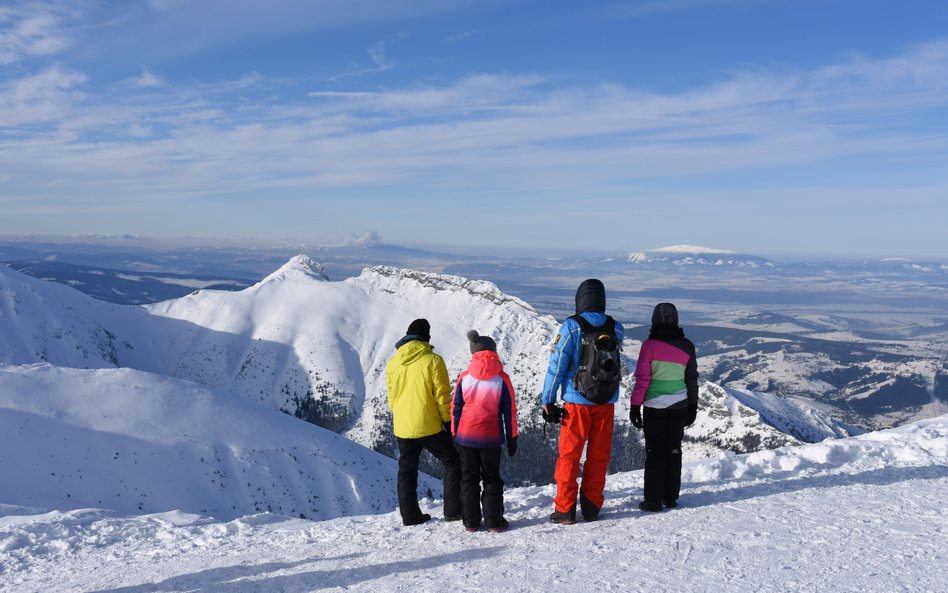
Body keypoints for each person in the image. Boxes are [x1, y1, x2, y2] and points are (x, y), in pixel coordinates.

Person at [540, 279, 625, 524]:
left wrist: (548, 398)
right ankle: (591, 506)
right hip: (605, 402)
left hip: (576, 403)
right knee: (598, 456)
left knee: (569, 455)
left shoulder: (572, 326)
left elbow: (557, 366)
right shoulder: (615, 328)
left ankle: (565, 509)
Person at [385, 318, 462, 526]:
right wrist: (448, 422)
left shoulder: (393, 363)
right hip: (428, 424)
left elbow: (392, 398)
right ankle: (453, 510)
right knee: (453, 461)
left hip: (402, 427)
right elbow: (443, 396)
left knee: (407, 470)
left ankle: (410, 516)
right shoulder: (433, 360)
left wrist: (402, 415)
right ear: (426, 337)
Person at [629, 302, 699, 512]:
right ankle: (670, 497)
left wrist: (635, 405)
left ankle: (653, 499)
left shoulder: (648, 346)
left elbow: (643, 379)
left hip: (654, 407)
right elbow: (691, 379)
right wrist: (693, 405)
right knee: (674, 449)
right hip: (679, 406)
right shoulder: (687, 346)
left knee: (655, 451)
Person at [451, 330, 518, 533]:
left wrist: (454, 433)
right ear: (494, 352)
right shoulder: (502, 378)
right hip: (491, 437)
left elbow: (455, 408)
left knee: (469, 479)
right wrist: (512, 437)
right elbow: (510, 411)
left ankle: (470, 522)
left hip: (465, 437)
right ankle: (494, 522)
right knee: (491, 479)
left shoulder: (465, 377)